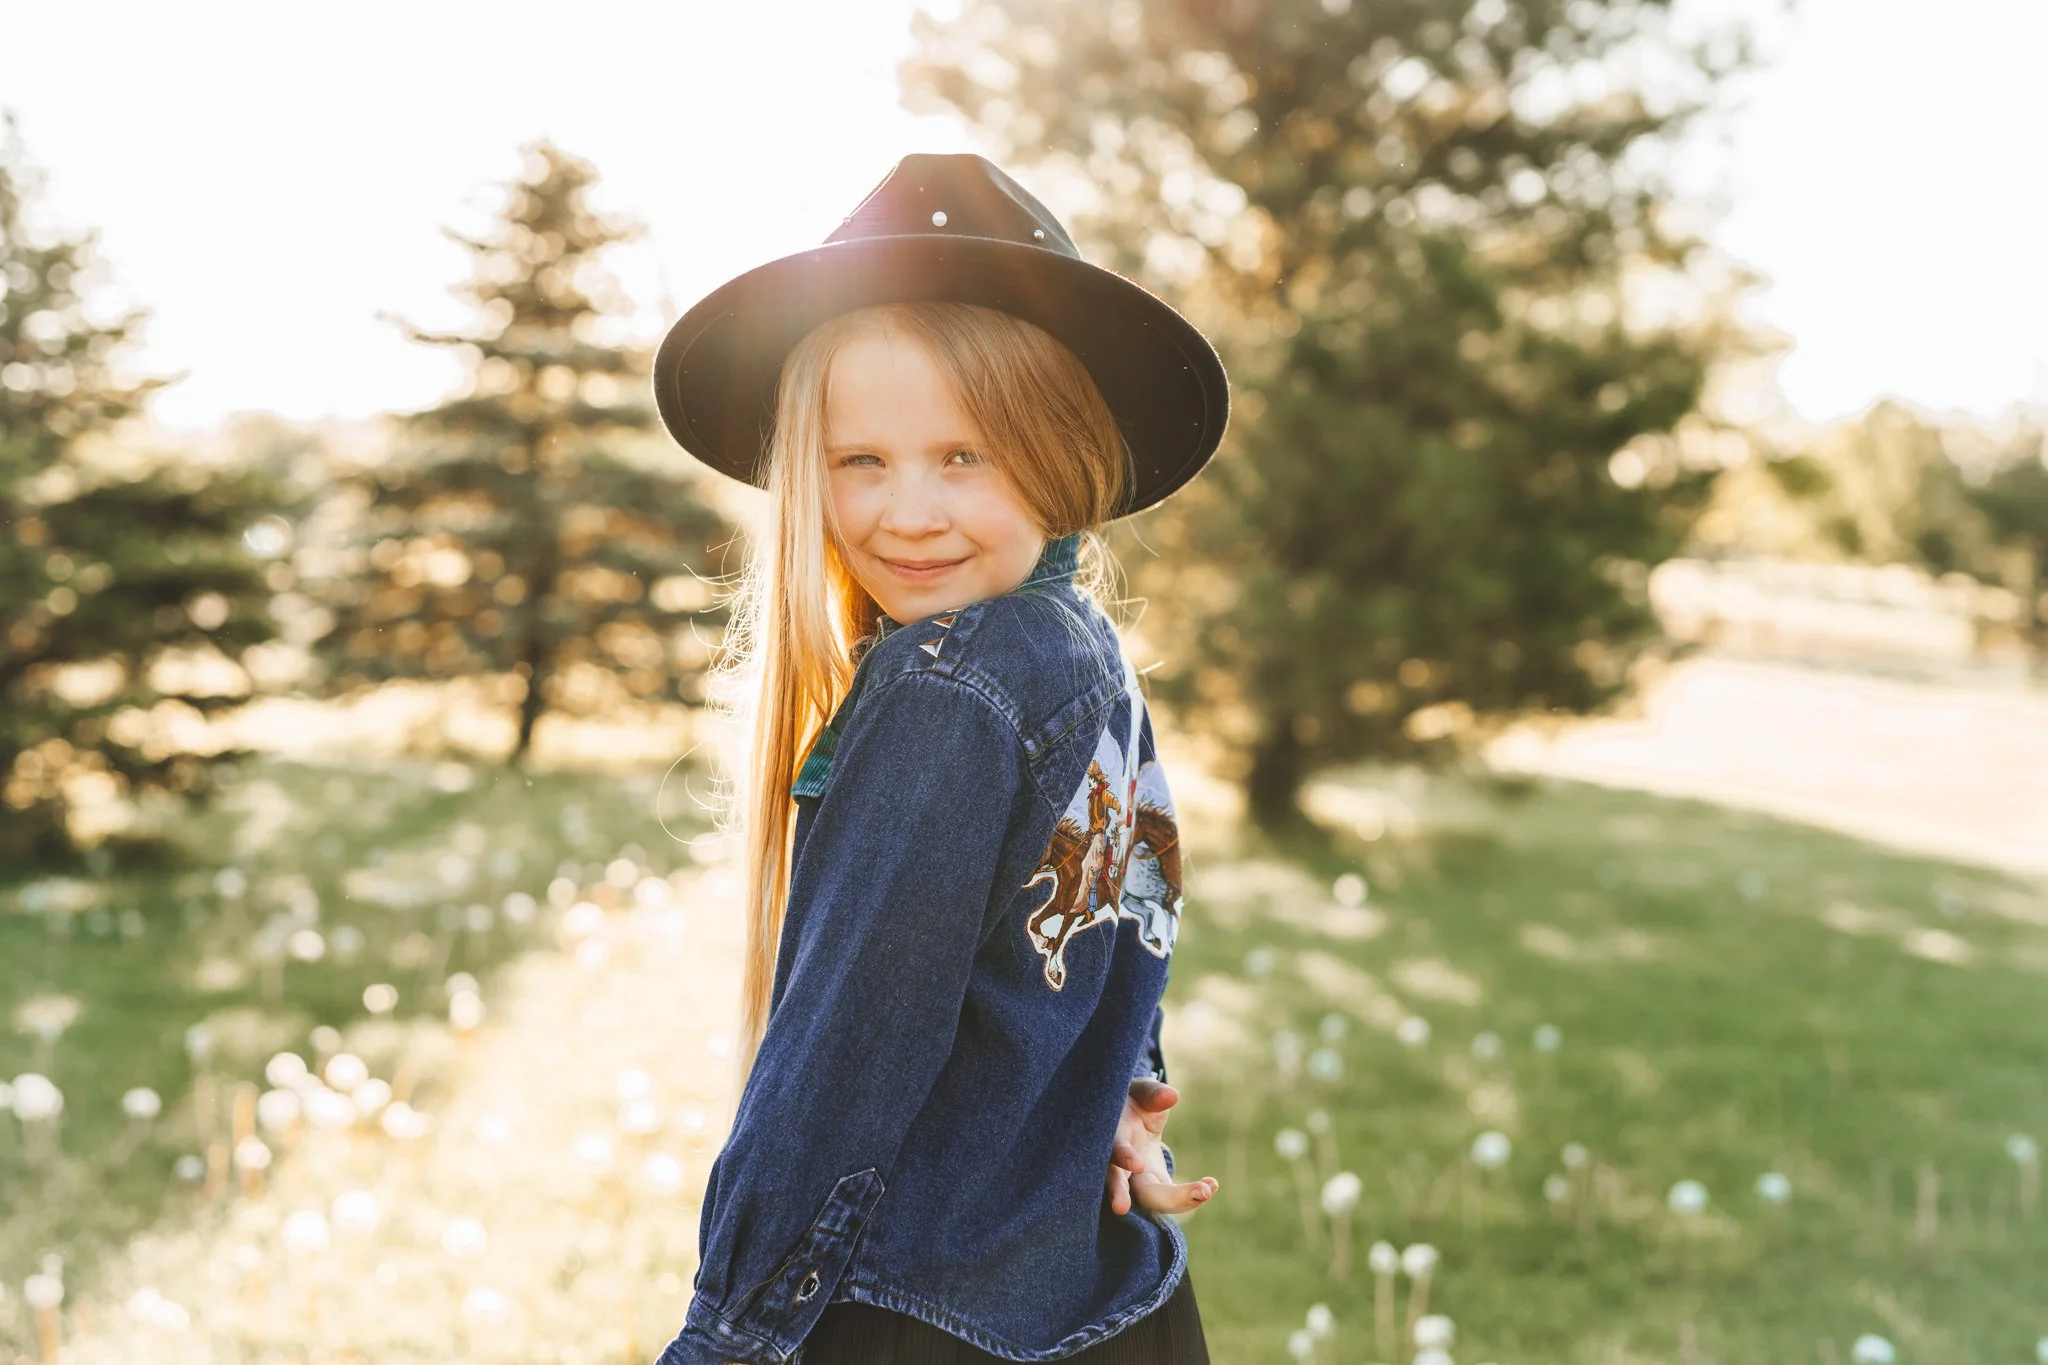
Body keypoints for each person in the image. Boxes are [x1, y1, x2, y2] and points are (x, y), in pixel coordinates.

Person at [648, 153, 1230, 1365]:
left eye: (964, 456)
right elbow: (1129, 910)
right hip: (1096, 1302)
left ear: (1063, 453)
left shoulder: (948, 686)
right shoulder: (1081, 649)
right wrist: (1117, 1089)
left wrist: (725, 1340)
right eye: (859, 460)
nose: (905, 512)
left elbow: (839, 1063)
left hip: (916, 1319)